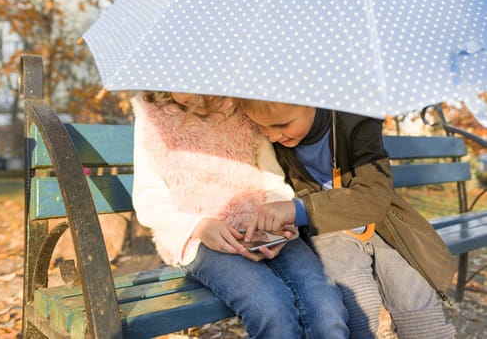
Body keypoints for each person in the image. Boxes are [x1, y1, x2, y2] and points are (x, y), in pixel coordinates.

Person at [131, 91, 349, 338]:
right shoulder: (152, 118)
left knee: (326, 308)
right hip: (199, 239)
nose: (199, 98)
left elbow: (272, 181)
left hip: (263, 228)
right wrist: (199, 226)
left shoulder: (244, 107)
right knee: (271, 307)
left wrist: (279, 221)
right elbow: (149, 202)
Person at [238, 99, 457, 339]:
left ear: (314, 100)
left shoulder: (357, 121)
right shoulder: (276, 142)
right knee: (358, 304)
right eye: (263, 127)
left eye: (283, 124)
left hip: (383, 225)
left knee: (415, 302)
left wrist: (298, 210)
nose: (272, 135)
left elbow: (375, 195)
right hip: (328, 233)